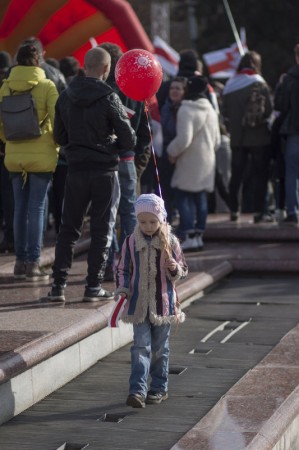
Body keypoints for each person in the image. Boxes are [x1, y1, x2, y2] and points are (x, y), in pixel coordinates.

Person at [48, 47, 136, 302]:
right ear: (107, 69)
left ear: (85, 66)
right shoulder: (110, 97)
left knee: (68, 228)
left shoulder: (66, 95)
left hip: (75, 170)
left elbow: (59, 137)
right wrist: (111, 146)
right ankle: (93, 286)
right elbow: (128, 138)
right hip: (104, 171)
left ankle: (58, 286)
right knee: (102, 228)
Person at [115, 193, 188, 408]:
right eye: (142, 221)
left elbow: (183, 269)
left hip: (163, 305)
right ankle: (137, 390)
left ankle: (158, 388)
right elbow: (122, 269)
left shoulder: (171, 241)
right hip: (138, 305)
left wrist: (174, 268)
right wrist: (122, 289)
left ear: (161, 219)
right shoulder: (130, 242)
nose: (147, 226)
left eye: (152, 222)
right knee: (140, 347)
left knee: (159, 349)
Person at [0, 44, 59, 280]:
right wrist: (54, 144)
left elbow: (1, 126)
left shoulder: (5, 87)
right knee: (37, 207)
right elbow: (58, 122)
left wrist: (10, 139)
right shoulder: (47, 86)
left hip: (14, 155)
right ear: (39, 61)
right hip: (42, 155)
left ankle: (20, 262)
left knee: (18, 208)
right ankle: (33, 262)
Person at [98, 42, 151, 281]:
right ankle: (130, 265)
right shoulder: (134, 91)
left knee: (106, 213)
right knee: (129, 213)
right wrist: (136, 155)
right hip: (128, 159)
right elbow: (143, 131)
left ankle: (108, 265)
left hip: (105, 159)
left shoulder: (99, 91)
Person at [167, 76, 221, 251]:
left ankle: (189, 234)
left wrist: (171, 151)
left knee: (182, 196)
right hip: (207, 160)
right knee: (201, 198)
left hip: (189, 160)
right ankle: (198, 236)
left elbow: (184, 139)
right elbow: (217, 140)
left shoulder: (186, 109)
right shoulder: (211, 110)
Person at [222, 50, 273, 223]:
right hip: (259, 137)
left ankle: (234, 210)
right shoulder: (260, 84)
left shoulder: (230, 85)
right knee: (260, 175)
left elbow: (225, 113)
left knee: (236, 176)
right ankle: (259, 212)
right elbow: (268, 111)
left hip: (237, 138)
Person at [275, 44, 299, 226]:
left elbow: (281, 106)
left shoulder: (289, 79)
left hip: (293, 131)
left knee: (291, 171)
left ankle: (293, 210)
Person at [159, 76, 188, 222]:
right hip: (165, 154)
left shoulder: (187, 109)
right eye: (172, 88)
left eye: (178, 88)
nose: (174, 91)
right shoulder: (164, 107)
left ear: (184, 91)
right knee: (166, 191)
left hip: (183, 155)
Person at [0, 51, 14, 253]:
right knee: (12, 198)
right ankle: (11, 238)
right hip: (11, 150)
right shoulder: (10, 85)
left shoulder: (5, 88)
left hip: (6, 148)